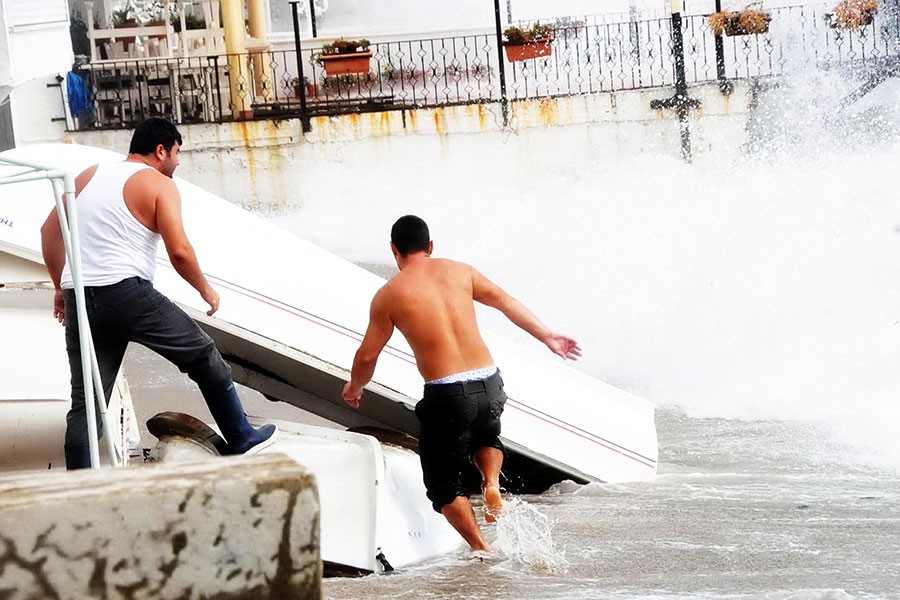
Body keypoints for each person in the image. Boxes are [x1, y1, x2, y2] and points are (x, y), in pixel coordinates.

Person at [40, 117, 277, 469]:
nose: (178, 162)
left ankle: (80, 483)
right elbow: (179, 251)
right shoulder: (159, 184)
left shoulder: (88, 176)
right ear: (161, 150)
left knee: (87, 404)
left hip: (81, 299)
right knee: (203, 356)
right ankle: (241, 434)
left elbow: (49, 231)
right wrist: (205, 290)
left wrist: (61, 286)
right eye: (177, 153)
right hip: (127, 295)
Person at [342, 215, 580, 552]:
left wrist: (355, 387)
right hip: (490, 381)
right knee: (486, 435)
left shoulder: (389, 295)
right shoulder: (461, 271)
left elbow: (367, 357)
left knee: (442, 486)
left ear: (394, 250)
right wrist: (546, 335)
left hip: (448, 393)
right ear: (431, 246)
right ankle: (492, 484)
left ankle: (481, 548)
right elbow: (505, 302)